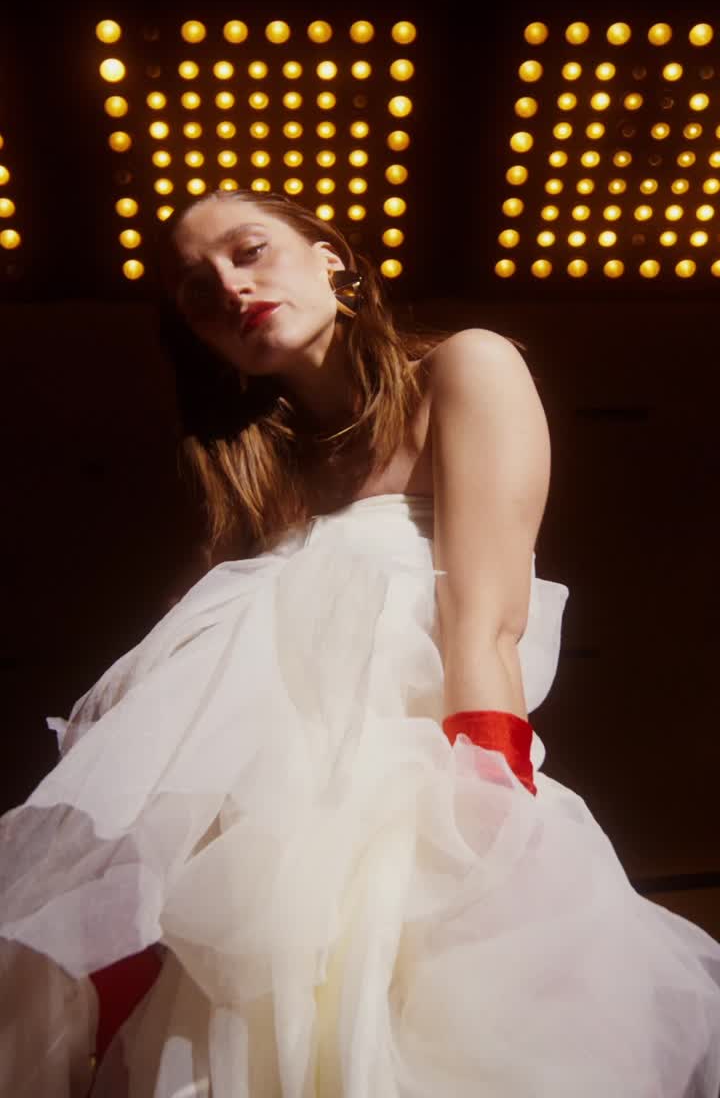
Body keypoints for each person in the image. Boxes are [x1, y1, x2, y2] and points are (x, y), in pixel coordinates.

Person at [1, 188, 719, 1097]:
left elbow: (485, 619)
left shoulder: (464, 368)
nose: (230, 287)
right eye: (197, 291)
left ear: (331, 257)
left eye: (250, 251)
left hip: (406, 792)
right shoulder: (255, 481)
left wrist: (493, 813)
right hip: (252, 848)